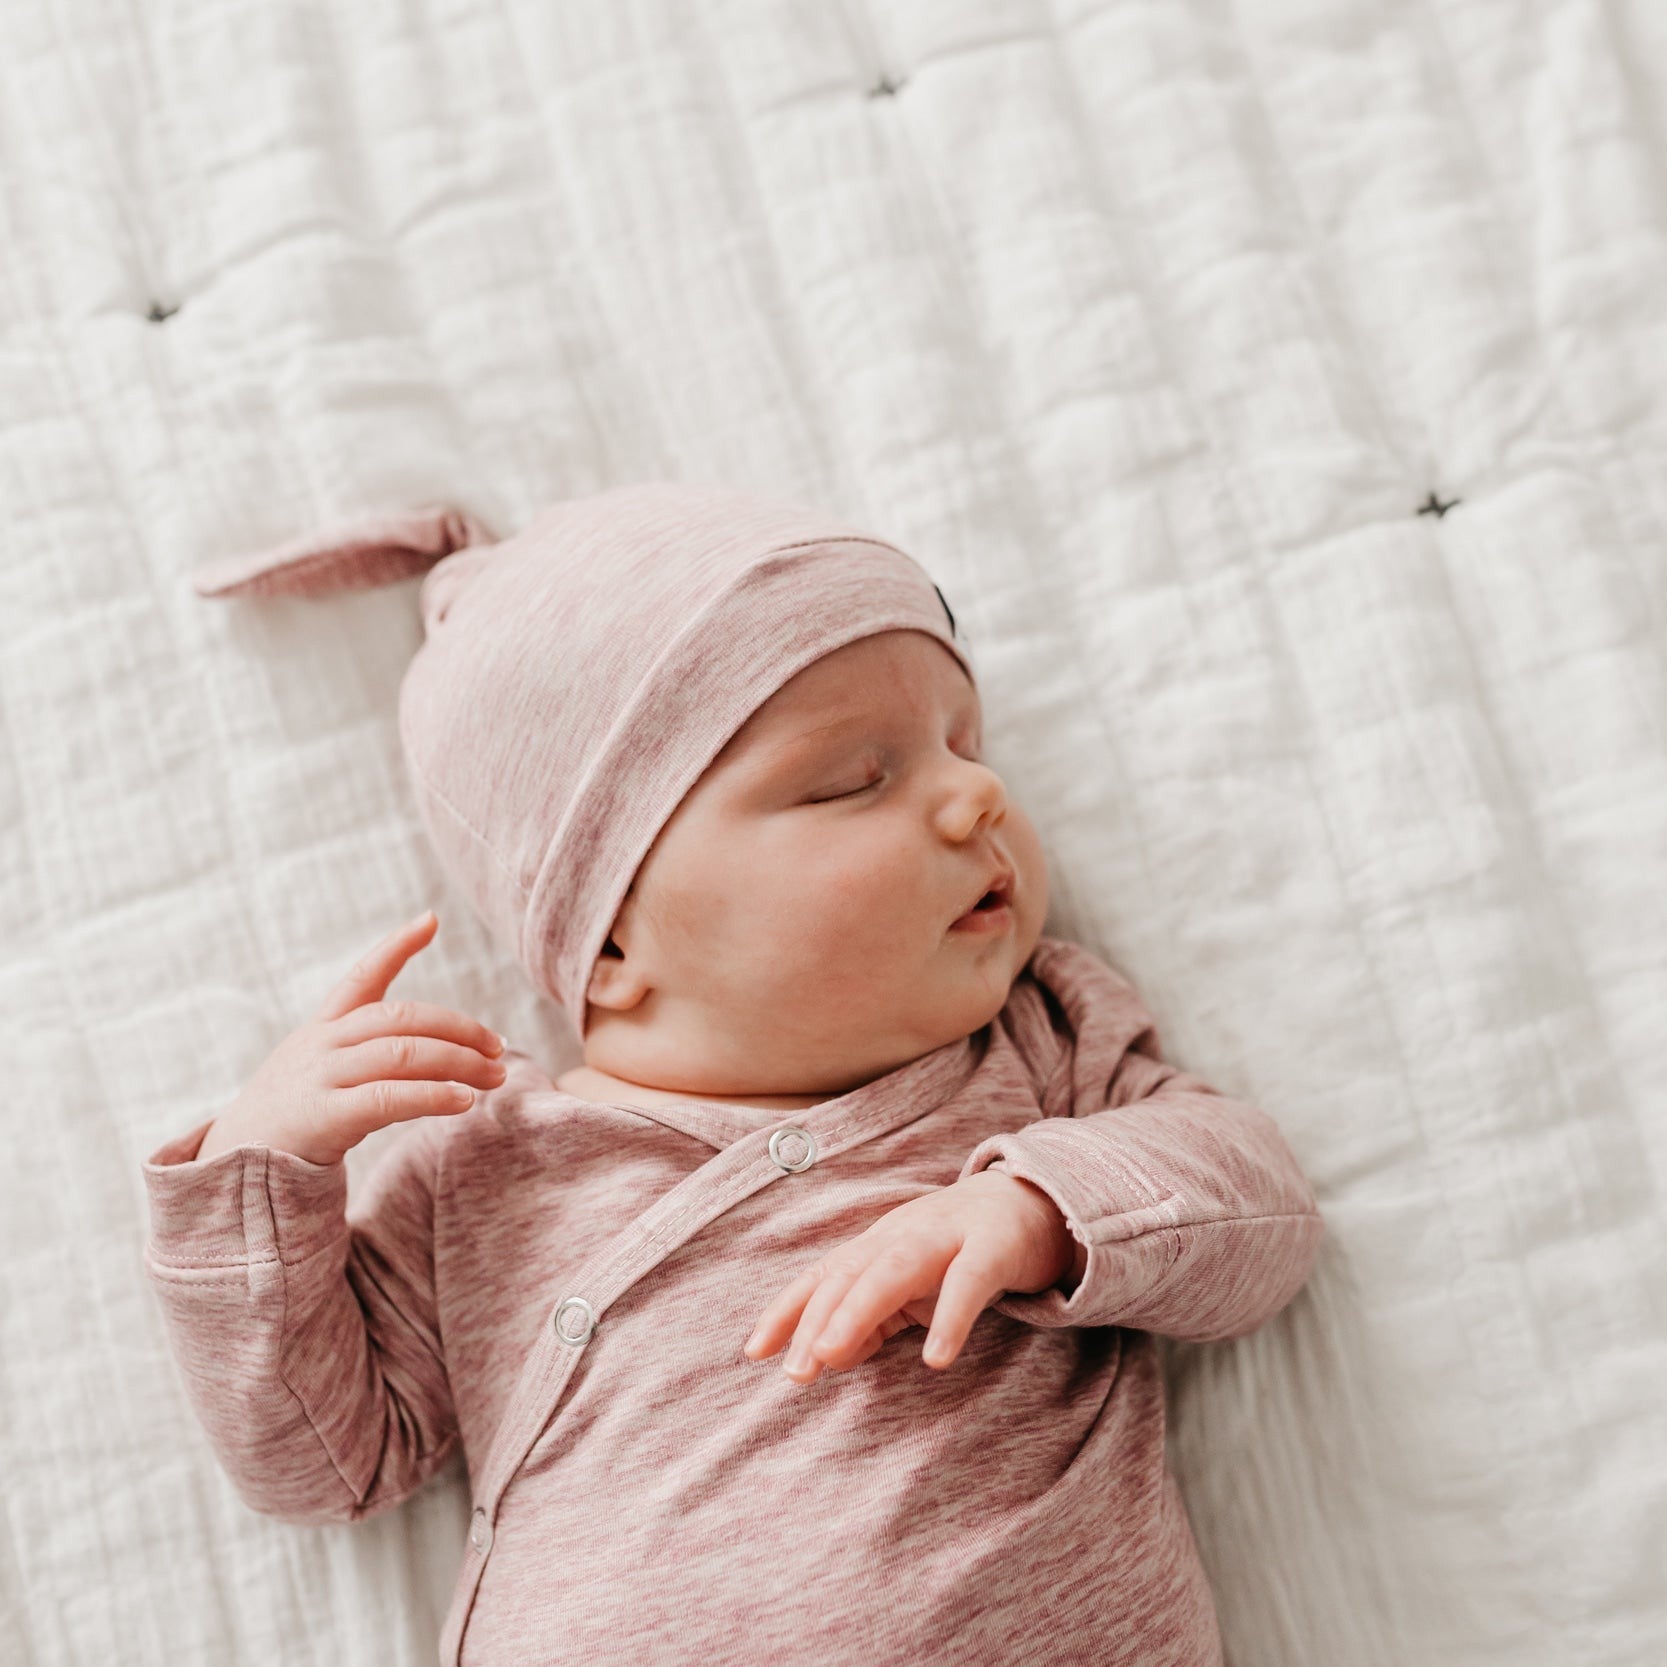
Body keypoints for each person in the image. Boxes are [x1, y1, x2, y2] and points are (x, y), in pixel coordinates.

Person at [142, 481, 1325, 1666]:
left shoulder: (1039, 1038)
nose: (976, 794)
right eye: (854, 777)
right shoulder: (483, 1174)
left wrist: (1036, 1210)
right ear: (610, 942)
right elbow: (321, 1458)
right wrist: (262, 1174)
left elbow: (1257, 1211)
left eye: (967, 742)